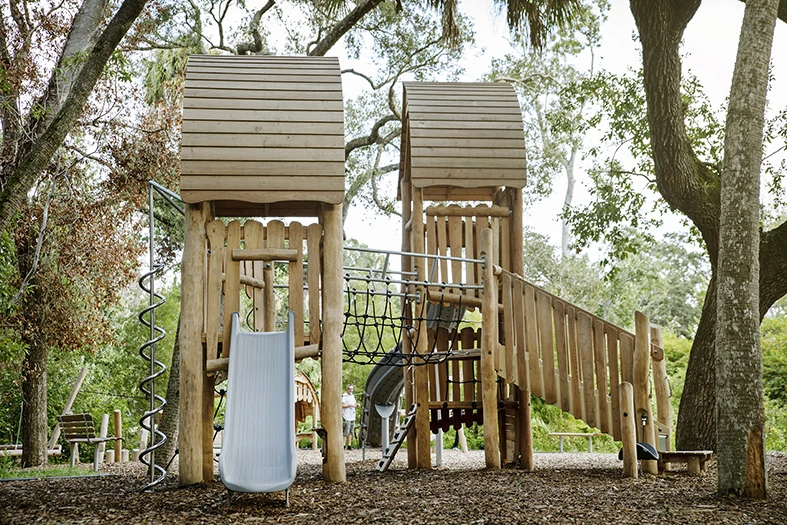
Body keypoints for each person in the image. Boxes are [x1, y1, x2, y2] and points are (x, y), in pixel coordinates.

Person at [341, 384, 358, 449]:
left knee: (351, 431)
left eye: (352, 389)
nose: (351, 390)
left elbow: (354, 404)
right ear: (347, 389)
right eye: (349, 389)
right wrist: (350, 405)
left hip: (352, 416)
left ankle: (349, 445)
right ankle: (343, 445)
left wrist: (356, 405)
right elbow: (342, 405)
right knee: (346, 431)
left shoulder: (353, 396)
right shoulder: (344, 396)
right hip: (346, 416)